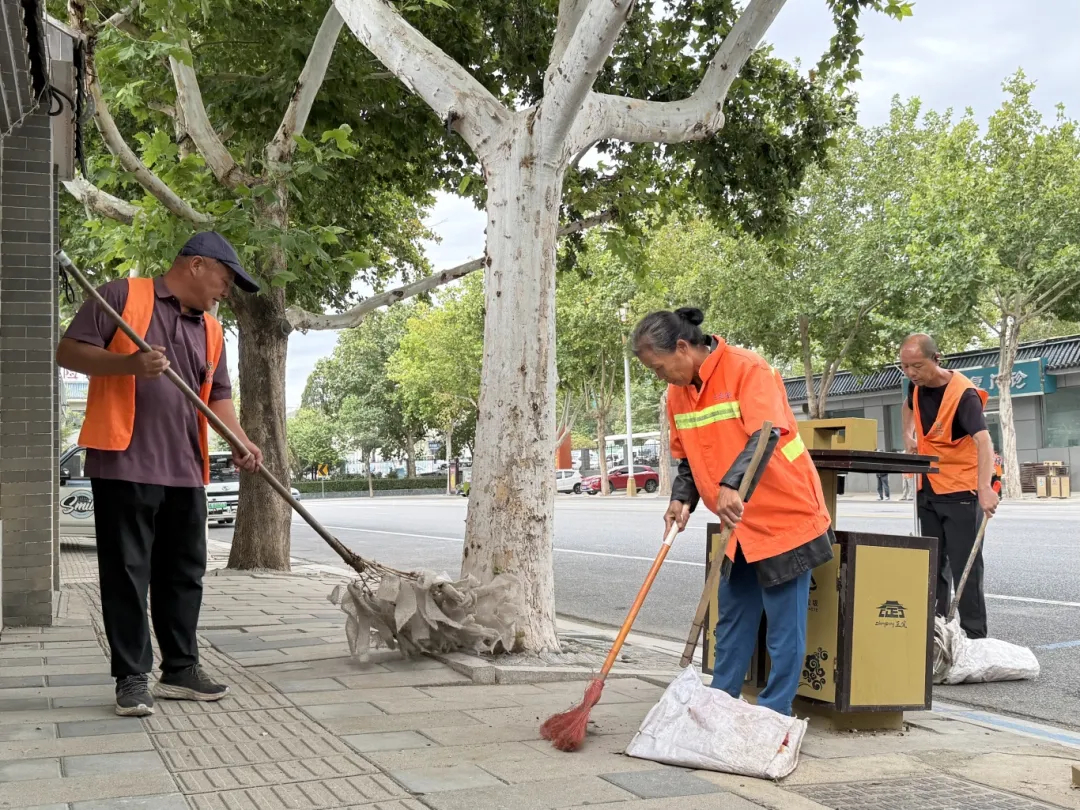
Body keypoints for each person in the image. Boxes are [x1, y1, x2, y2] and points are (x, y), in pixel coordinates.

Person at [57, 232, 263, 716]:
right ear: (196, 265)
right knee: (127, 574)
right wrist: (128, 363)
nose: (226, 290)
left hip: (186, 466)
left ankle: (180, 669)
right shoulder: (121, 297)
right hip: (124, 459)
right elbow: (68, 352)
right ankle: (131, 677)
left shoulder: (212, 331)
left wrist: (239, 438)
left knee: (184, 571)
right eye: (225, 278)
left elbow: (217, 397)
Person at [631, 308, 833, 717]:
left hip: (783, 513)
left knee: (783, 628)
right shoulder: (677, 393)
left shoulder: (747, 368)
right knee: (733, 617)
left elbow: (767, 433)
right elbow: (686, 456)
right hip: (738, 523)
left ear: (683, 348)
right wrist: (680, 499)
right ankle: (720, 701)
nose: (659, 376)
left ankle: (775, 713)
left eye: (659, 366)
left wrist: (729, 485)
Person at [899, 333, 999, 640]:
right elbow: (907, 407)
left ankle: (974, 637)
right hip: (927, 488)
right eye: (904, 367)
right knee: (931, 564)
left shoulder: (963, 394)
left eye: (917, 365)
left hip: (960, 492)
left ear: (936, 359)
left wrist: (985, 488)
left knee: (964, 568)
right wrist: (908, 435)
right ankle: (938, 632)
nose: (911, 373)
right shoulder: (914, 385)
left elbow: (984, 440)